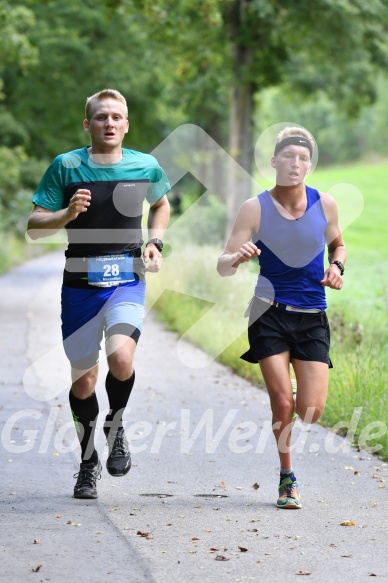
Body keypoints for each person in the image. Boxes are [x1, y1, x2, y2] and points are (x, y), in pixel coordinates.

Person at [27, 88, 170, 499]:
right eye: (101, 117)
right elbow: (34, 225)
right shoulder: (66, 166)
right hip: (79, 284)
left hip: (128, 277)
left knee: (122, 357)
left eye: (117, 117)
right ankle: (88, 462)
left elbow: (161, 205)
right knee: (85, 381)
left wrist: (155, 242)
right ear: (87, 124)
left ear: (126, 124)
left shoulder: (146, 165)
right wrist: (67, 213)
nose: (110, 123)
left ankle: (116, 423)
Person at [217, 127, 346, 509]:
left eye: (304, 158)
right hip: (267, 313)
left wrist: (337, 265)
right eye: (289, 156)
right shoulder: (254, 208)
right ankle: (287, 478)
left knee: (310, 410)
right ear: (273, 162)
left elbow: (337, 242)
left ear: (310, 164)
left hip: (312, 315)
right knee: (282, 402)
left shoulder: (325, 203)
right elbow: (222, 265)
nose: (296, 163)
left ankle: (292, 393)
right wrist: (237, 258)